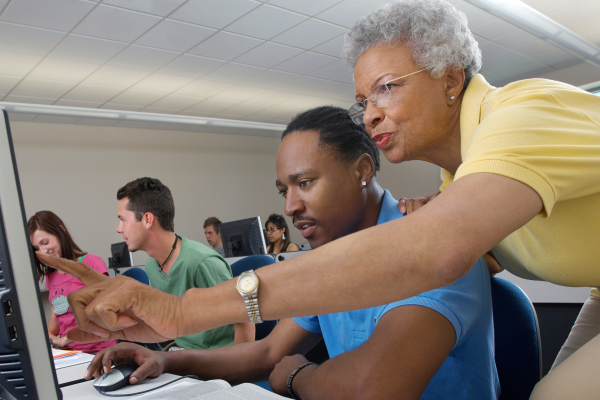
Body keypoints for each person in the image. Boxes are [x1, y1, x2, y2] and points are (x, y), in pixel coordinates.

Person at [60, 1, 600, 397]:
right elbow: (271, 348)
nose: (368, 114)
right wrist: (169, 358)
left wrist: (183, 312)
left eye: (387, 87)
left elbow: (434, 253)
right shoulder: (454, 187)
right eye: (364, 98)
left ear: (452, 77)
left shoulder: (521, 115)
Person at [85, 107, 498, 400]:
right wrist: (165, 362)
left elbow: (373, 388)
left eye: (305, 183)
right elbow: (267, 351)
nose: (290, 207)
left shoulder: (432, 242)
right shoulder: (327, 262)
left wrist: (299, 376)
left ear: (362, 171)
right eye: (284, 190)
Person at [28, 211, 118, 354]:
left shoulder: (91, 263)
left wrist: (65, 339)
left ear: (61, 231)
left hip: (99, 350)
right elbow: (56, 319)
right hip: (70, 353)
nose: (43, 251)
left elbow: (105, 314)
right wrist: (44, 338)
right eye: (37, 248)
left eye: (45, 242)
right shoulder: (51, 275)